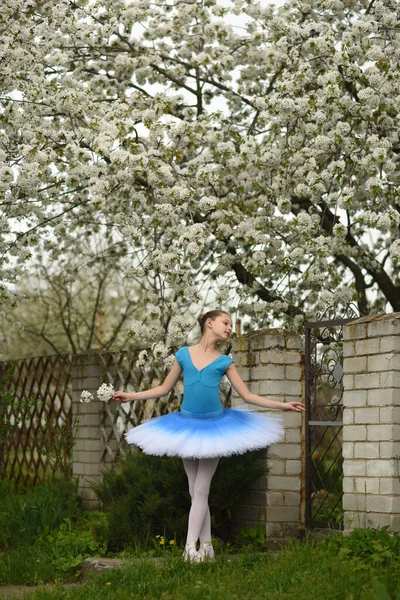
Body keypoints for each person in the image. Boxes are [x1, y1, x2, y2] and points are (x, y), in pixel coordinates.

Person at [113, 310, 305, 562]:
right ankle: (208, 547)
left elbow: (247, 396)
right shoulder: (183, 354)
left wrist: (282, 405)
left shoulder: (224, 362)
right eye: (225, 323)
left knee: (201, 489)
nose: (229, 328)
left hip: (215, 429)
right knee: (195, 491)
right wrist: (131, 395)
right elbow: (163, 388)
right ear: (209, 323)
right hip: (186, 427)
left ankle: (189, 548)